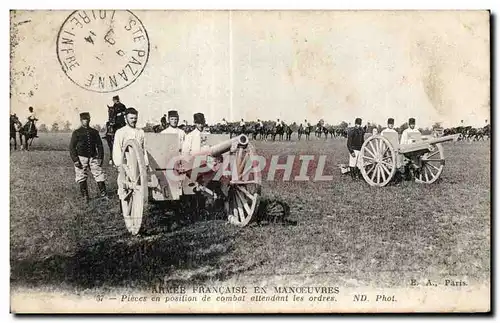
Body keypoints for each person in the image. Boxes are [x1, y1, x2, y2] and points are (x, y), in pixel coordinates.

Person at [69, 112, 106, 202]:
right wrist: (75, 160)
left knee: (99, 174)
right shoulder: (76, 132)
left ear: (89, 120)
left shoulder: (94, 132)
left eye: (87, 119)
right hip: (81, 158)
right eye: (84, 119)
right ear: (81, 120)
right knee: (81, 176)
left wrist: (100, 158)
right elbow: (72, 147)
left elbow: (100, 146)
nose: (86, 121)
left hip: (93, 157)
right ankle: (85, 197)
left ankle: (104, 195)